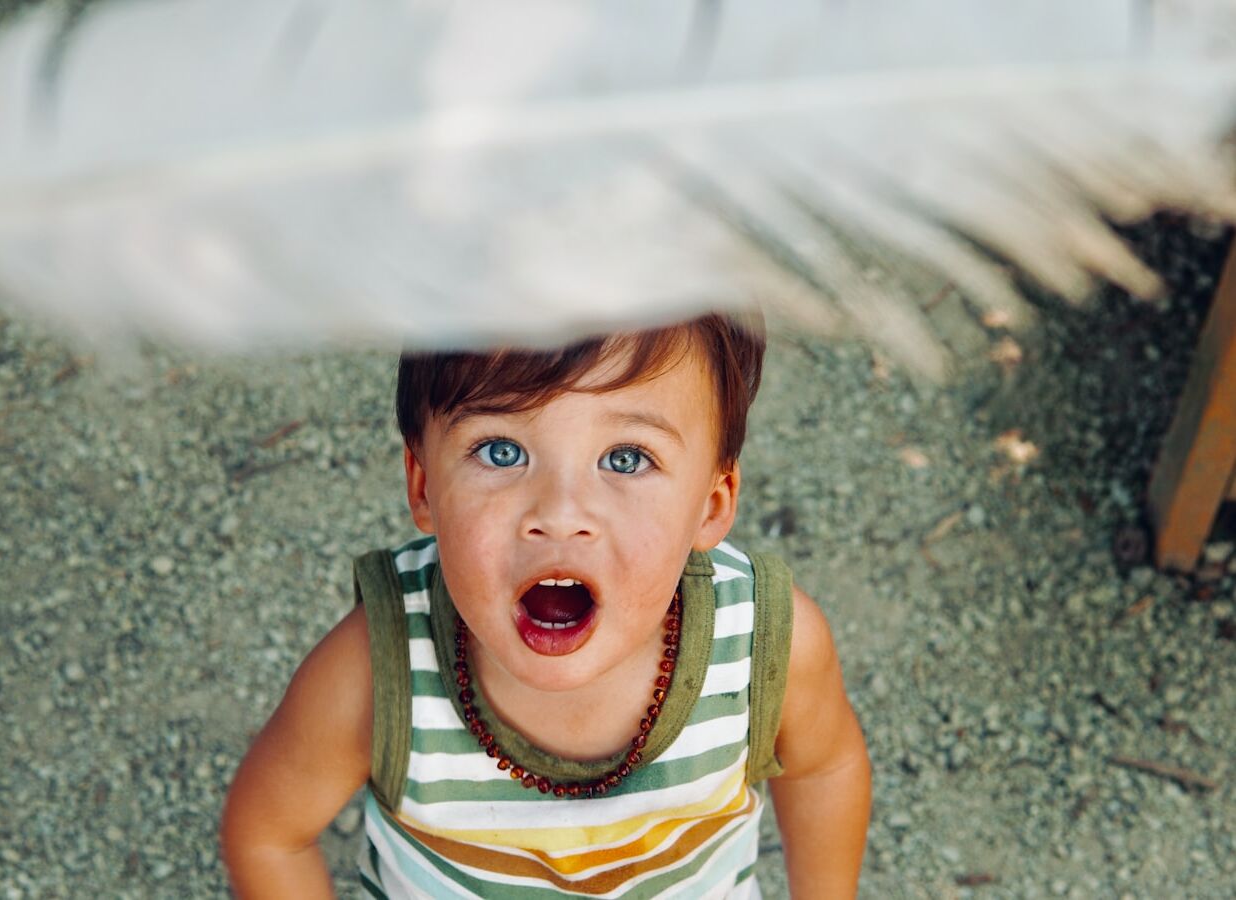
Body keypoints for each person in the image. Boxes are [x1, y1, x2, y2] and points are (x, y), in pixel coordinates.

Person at [221, 313, 871, 898]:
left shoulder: (763, 647)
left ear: (712, 504)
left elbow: (824, 769)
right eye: (503, 452)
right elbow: (269, 832)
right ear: (423, 486)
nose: (560, 516)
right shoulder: (374, 672)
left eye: (625, 457)